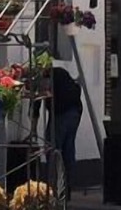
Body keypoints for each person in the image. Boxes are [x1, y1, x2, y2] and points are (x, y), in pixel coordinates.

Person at [32, 64, 83, 200]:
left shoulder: (44, 79)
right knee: (68, 150)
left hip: (61, 113)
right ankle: (66, 190)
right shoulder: (61, 73)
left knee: (53, 148)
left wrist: (33, 130)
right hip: (75, 112)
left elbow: (36, 104)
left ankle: (53, 189)